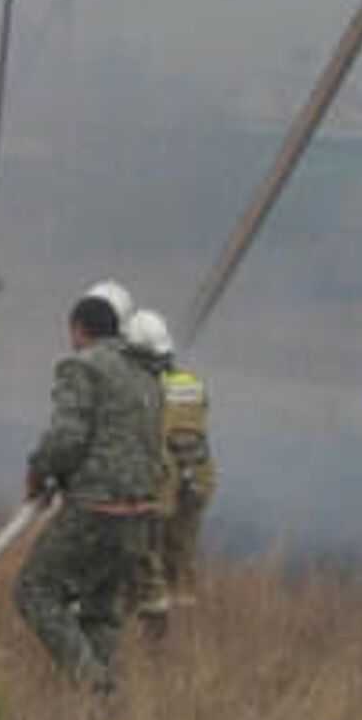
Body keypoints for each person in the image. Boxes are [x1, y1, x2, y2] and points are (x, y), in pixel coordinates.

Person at [13, 292, 164, 692]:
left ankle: (94, 681)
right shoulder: (145, 372)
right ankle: (99, 711)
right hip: (142, 515)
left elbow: (67, 438)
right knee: (100, 609)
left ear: (78, 330)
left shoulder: (82, 366)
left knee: (34, 590)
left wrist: (38, 470)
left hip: (98, 510)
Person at [125, 309, 217, 629]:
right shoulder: (192, 383)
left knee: (148, 555)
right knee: (183, 556)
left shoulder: (145, 389)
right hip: (199, 478)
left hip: (163, 480)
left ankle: (154, 630)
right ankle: (187, 632)